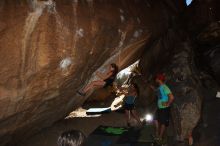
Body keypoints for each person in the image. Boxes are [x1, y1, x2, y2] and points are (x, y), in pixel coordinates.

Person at [150, 74, 174, 142]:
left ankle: (160, 137)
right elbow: (157, 91)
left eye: (156, 78)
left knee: (163, 123)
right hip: (159, 107)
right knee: (155, 119)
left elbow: (171, 97)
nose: (155, 79)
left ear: (159, 79)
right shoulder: (160, 87)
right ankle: (157, 134)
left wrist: (167, 103)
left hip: (165, 108)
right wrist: (152, 88)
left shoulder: (165, 87)